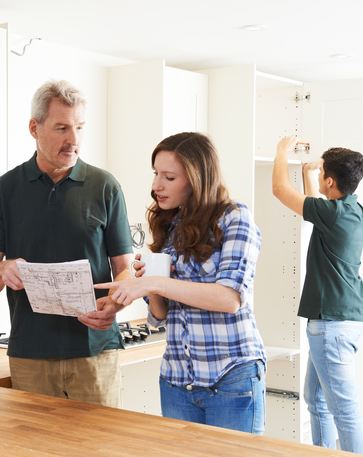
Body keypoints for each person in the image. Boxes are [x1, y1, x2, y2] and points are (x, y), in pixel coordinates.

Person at [0, 79, 134, 408]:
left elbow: (126, 272)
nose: (73, 140)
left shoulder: (105, 187)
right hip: (31, 357)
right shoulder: (6, 190)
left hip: (96, 354)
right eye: (62, 128)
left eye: (79, 127)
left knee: (99, 453)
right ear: (35, 128)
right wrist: (2, 269)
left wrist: (116, 304)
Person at [95, 132, 266, 434]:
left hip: (230, 377)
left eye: (169, 177)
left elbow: (229, 299)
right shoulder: (170, 226)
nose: (156, 186)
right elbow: (161, 315)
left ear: (196, 179)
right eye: (156, 174)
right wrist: (147, 281)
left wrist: (155, 284)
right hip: (177, 381)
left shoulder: (234, 219)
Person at [271, 135, 363, 454]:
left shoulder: (333, 214)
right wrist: (309, 173)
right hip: (344, 319)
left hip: (331, 325)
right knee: (316, 400)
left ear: (330, 180)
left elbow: (279, 191)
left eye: (323, 172)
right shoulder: (354, 211)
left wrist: (281, 153)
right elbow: (316, 208)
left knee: (344, 410)